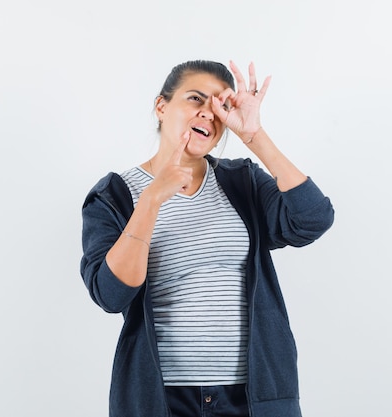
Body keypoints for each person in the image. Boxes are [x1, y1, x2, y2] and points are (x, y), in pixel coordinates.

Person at [80, 59, 334, 417]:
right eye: (196, 99)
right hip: (161, 400)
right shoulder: (114, 196)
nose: (208, 113)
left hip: (253, 397)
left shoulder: (242, 180)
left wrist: (254, 136)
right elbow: (111, 293)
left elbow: (313, 218)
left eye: (221, 105)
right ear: (161, 106)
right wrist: (152, 199)